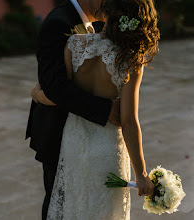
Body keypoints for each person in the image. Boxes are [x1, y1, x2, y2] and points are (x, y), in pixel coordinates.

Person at [31, 0, 160, 219]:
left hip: (72, 143)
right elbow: (129, 122)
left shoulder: (74, 44)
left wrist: (36, 95)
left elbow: (59, 93)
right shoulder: (130, 59)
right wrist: (141, 174)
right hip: (107, 145)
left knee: (71, 207)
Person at [25, 0, 121, 219]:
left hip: (85, 137)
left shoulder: (95, 25)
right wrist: (105, 109)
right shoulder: (59, 22)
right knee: (58, 206)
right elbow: (55, 87)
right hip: (57, 133)